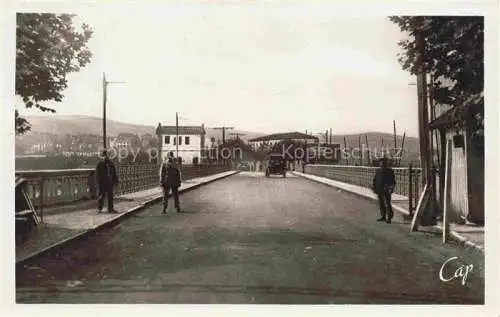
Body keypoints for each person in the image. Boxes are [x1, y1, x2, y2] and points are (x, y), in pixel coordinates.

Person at [372, 157, 396, 224]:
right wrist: (374, 188)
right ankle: (383, 216)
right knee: (381, 203)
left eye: (383, 162)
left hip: (387, 189)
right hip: (379, 189)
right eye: (381, 162)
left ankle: (389, 217)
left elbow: (393, 181)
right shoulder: (378, 171)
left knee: (387, 203)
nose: (382, 164)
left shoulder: (390, 171)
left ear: (386, 163)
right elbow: (375, 180)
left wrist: (391, 189)